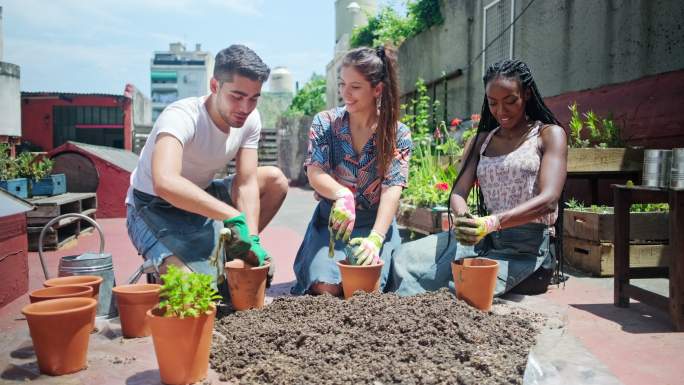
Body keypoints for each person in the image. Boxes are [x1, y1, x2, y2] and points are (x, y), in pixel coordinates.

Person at [388, 59, 567, 297]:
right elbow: (459, 192)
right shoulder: (481, 141)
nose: (501, 111)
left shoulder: (548, 135)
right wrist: (465, 220)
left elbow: (549, 199)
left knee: (463, 287)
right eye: (493, 103)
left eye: (510, 101)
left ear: (527, 94)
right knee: (403, 257)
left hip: (528, 251)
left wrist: (493, 222)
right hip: (483, 240)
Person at [125, 45, 288, 293]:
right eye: (237, 96)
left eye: (254, 98)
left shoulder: (250, 120)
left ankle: (234, 252)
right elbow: (165, 181)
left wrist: (252, 239)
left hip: (203, 194)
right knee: (193, 293)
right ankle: (168, 262)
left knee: (274, 180)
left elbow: (246, 184)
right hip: (152, 205)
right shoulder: (181, 116)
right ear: (214, 86)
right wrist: (230, 215)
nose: (245, 107)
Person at [291, 46, 412, 296]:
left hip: (374, 224)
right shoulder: (325, 123)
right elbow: (315, 171)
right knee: (327, 288)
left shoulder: (398, 133)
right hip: (332, 225)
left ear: (377, 90)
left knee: (363, 288)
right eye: (342, 84)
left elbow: (393, 188)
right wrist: (341, 194)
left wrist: (376, 238)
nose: (345, 93)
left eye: (355, 87)